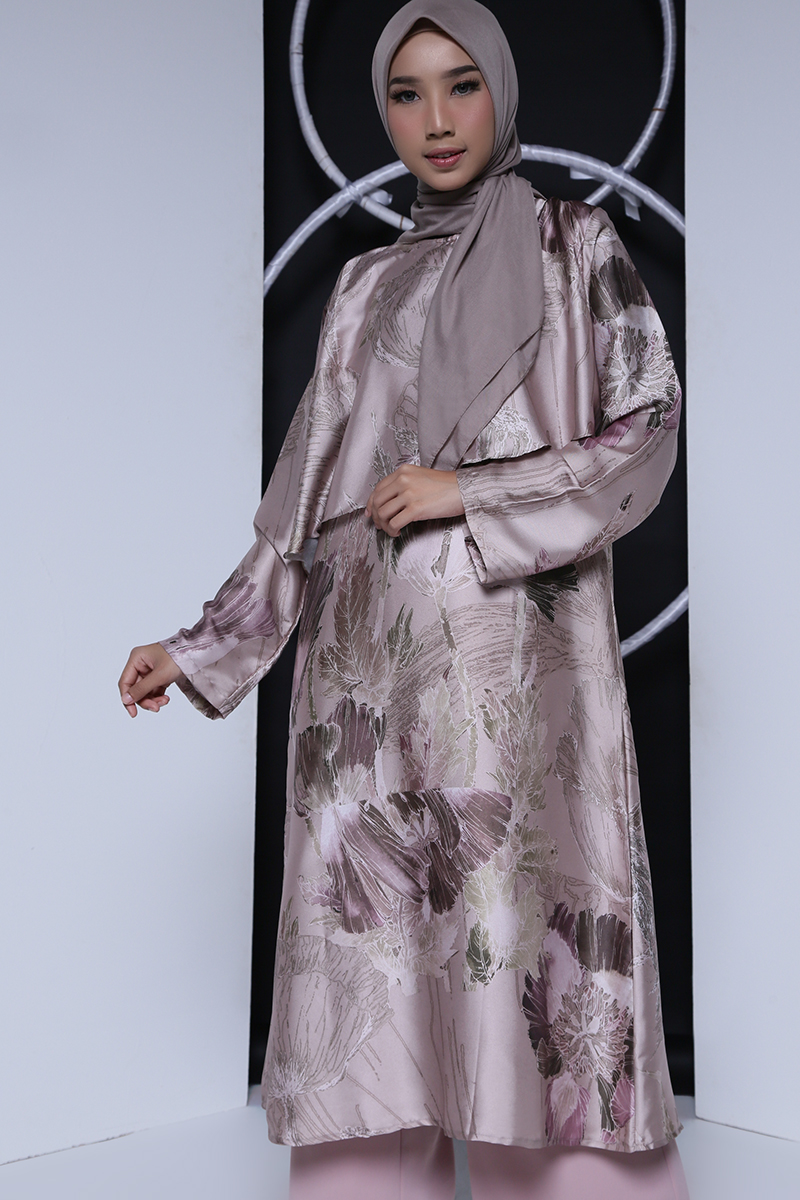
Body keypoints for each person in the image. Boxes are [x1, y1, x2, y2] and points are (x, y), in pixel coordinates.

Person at [118, 2, 689, 1196]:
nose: (434, 119)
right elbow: (304, 501)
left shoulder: (572, 243)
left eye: (460, 85)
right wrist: (202, 646)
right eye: (405, 92)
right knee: (373, 958)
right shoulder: (360, 286)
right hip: (362, 699)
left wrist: (467, 491)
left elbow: (643, 427)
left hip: (511, 689)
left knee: (512, 938)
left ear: (501, 94)